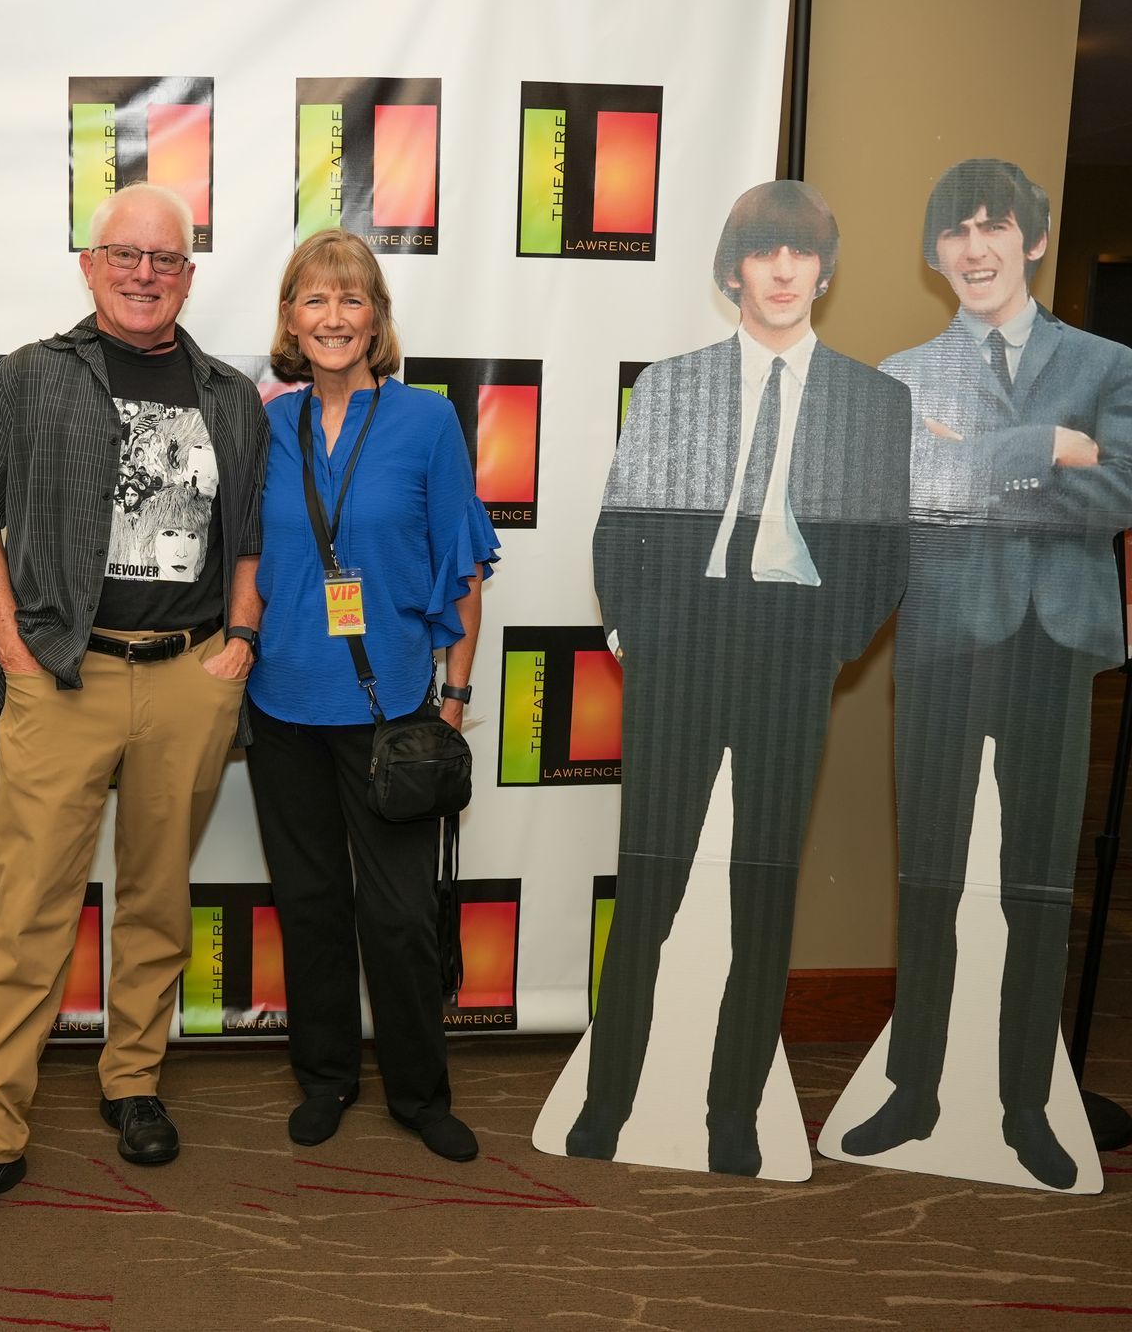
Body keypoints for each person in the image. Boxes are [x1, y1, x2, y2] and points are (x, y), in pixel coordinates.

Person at [0, 182, 268, 1231]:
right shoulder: (35, 375)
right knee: (32, 909)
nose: (142, 273)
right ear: (88, 263)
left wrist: (241, 642)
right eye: (123, 253)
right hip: (63, 676)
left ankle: (133, 1082)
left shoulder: (227, 395)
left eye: (164, 259)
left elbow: (249, 540)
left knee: (158, 899)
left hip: (188, 674)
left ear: (188, 275)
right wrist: (11, 648)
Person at [567, 181, 909, 1175]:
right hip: (680, 651)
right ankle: (608, 1100)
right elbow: (622, 519)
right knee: (653, 884)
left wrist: (829, 644)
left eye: (803, 254)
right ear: (735, 271)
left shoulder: (870, 401)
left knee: (762, 890)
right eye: (767, 253)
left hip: (790, 660)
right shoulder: (675, 387)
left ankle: (732, 1113)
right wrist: (635, 632)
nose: (786, 271)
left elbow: (888, 548)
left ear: (826, 271)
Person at [841, 160, 1132, 1189]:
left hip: (1055, 647)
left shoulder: (1106, 364)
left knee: (1037, 886)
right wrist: (1048, 448)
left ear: (1036, 239)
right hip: (940, 645)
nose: (974, 247)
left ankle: (1026, 1103)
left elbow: (1117, 499)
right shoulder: (904, 377)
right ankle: (915, 1087)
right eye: (955, 230)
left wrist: (989, 458)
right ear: (934, 254)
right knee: (931, 877)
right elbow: (911, 497)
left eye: (994, 226)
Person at [244, 229, 497, 1162]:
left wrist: (457, 690)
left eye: (352, 301)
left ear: (377, 320)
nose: (334, 317)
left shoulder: (428, 421)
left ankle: (420, 1093)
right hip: (281, 709)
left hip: (392, 709)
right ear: (290, 320)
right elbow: (245, 558)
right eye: (315, 299)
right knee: (309, 905)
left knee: (397, 917)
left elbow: (464, 568)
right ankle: (326, 1076)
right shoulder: (266, 424)